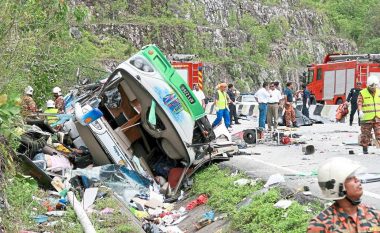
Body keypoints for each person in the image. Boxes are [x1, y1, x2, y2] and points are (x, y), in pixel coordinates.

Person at [307, 157, 380, 233]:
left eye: (355, 176)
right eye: (350, 178)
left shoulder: (374, 214)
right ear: (337, 188)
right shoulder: (321, 224)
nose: (357, 180)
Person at [357, 75, 380, 154]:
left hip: (377, 117)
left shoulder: (379, 92)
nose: (373, 88)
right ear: (368, 85)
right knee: (365, 135)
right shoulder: (362, 93)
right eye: (372, 86)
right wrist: (360, 111)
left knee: (379, 134)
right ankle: (365, 149)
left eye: (375, 86)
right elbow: (359, 103)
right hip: (366, 118)